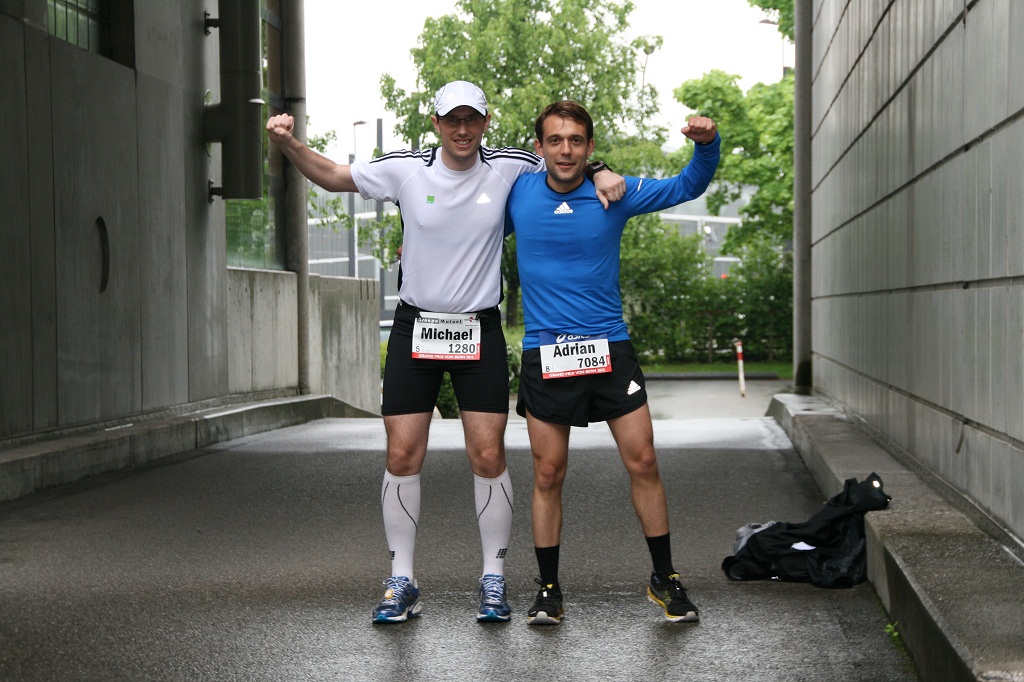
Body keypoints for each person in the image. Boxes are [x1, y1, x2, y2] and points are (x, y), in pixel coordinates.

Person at [266, 82, 625, 624]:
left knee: (488, 456)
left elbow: (564, 162)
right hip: (417, 327)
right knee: (402, 454)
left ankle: (493, 580)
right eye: (451, 119)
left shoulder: (510, 166)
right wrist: (288, 144)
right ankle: (402, 580)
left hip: (478, 328)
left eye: (471, 119)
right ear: (435, 123)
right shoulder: (405, 169)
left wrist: (601, 170)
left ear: (485, 123)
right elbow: (335, 175)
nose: (462, 129)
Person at [504, 100, 721, 624]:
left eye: (576, 141)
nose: (566, 150)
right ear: (539, 147)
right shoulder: (517, 193)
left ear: (590, 147)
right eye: (555, 140)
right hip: (545, 351)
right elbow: (461, 211)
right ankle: (548, 589)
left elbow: (687, 185)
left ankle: (664, 578)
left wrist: (707, 144)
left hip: (609, 349)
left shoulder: (613, 193)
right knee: (548, 473)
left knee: (643, 461)